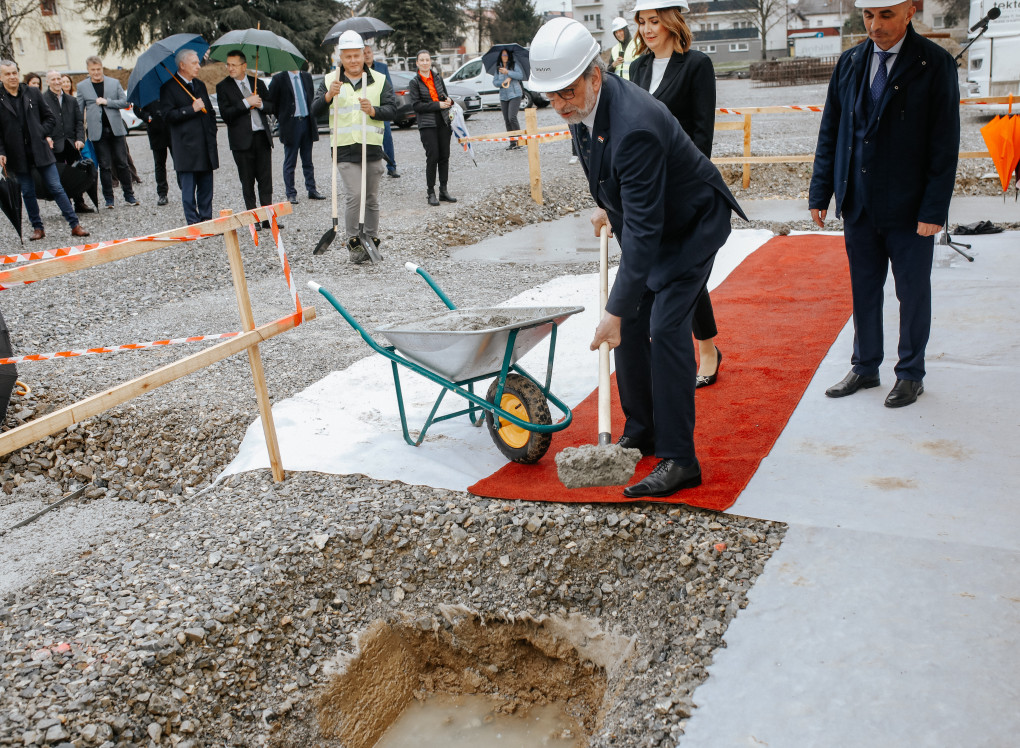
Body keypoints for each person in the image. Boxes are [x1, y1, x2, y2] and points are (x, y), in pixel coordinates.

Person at [527, 18, 745, 498]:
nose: (559, 105)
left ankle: (679, 458)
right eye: (551, 96)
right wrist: (610, 207)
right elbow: (612, 174)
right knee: (628, 326)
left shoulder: (635, 126)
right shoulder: (583, 108)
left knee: (662, 325)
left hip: (691, 226)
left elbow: (646, 234)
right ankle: (641, 427)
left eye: (565, 93)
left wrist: (614, 311)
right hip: (655, 221)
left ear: (594, 75)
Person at [810, 0, 959, 408]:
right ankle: (865, 365)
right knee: (864, 290)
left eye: (886, 15)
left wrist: (933, 210)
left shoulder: (935, 64)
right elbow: (831, 131)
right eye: (868, 16)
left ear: (910, 11)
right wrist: (820, 191)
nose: (875, 26)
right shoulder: (850, 62)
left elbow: (945, 145)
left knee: (911, 293)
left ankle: (910, 373)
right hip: (858, 203)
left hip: (911, 210)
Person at [629, 0, 722, 388]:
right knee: (660, 269)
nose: (649, 29)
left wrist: (683, 187)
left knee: (685, 269)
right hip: (646, 189)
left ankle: (706, 348)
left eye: (655, 21)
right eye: (643, 22)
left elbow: (703, 134)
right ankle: (692, 347)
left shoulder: (697, 65)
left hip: (685, 190)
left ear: (671, 22)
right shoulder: (637, 68)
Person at [311, 30, 397, 263]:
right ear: (341, 57)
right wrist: (328, 96)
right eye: (347, 56)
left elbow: (393, 109)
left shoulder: (379, 80)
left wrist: (374, 111)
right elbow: (314, 111)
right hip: (344, 149)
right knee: (354, 194)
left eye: (356, 55)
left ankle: (371, 240)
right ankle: (354, 244)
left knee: (370, 197)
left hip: (371, 148)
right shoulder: (331, 80)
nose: (353, 61)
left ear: (363, 55)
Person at [0, 59, 89, 239]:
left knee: (56, 187)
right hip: (17, 155)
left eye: (14, 73)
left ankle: (74, 225)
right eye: (7, 74)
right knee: (28, 192)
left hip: (40, 150)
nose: (12, 77)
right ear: (1, 77)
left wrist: (39, 133)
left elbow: (50, 118)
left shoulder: (32, 92)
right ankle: (38, 228)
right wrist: (1, 151)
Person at [216, 49, 278, 230]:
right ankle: (253, 219)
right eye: (228, 64)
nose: (230, 68)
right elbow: (226, 115)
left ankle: (268, 218)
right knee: (247, 181)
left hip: (261, 137)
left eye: (234, 65)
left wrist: (260, 104)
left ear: (244, 66)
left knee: (265, 181)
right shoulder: (223, 87)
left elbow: (271, 105)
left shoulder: (256, 82)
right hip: (241, 142)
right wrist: (246, 103)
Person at [159, 48, 218, 225]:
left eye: (198, 62)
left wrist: (212, 130)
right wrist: (190, 109)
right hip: (186, 146)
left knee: (206, 186)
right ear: (182, 65)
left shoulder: (199, 85)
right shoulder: (169, 88)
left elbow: (210, 112)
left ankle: (207, 219)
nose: (198, 66)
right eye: (194, 63)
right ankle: (193, 222)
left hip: (205, 143)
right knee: (188, 188)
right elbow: (167, 116)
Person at [76, 55, 139, 208]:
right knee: (105, 166)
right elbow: (79, 110)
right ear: (88, 70)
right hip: (97, 132)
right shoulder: (82, 87)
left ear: (102, 68)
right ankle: (109, 199)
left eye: (98, 69)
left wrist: (107, 102)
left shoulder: (113, 83)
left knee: (122, 163)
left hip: (115, 130)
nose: (96, 72)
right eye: (93, 70)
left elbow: (125, 102)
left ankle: (129, 196)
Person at [267, 64, 324, 204]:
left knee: (308, 160)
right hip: (291, 124)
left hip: (306, 122)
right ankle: (291, 193)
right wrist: (282, 118)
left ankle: (312, 189)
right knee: (290, 161)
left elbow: (311, 97)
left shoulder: (306, 76)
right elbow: (272, 102)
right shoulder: (279, 79)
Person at [407, 50, 457, 207]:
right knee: (433, 157)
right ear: (417, 63)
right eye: (421, 60)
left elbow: (445, 97)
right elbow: (416, 105)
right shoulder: (414, 82)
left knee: (444, 156)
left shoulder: (437, 78)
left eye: (427, 59)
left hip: (443, 121)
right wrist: (437, 105)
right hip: (427, 124)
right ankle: (430, 192)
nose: (424, 62)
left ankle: (443, 189)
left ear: (430, 61)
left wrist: (449, 101)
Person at [42, 69, 93, 214]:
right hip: (54, 145)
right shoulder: (43, 99)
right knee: (59, 177)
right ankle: (66, 206)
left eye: (59, 78)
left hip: (71, 143)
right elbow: (40, 122)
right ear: (47, 82)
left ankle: (79, 203)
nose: (57, 82)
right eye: (53, 79)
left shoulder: (71, 100)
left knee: (76, 173)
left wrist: (79, 139)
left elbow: (78, 121)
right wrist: (46, 137)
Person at [364, 44, 400, 178]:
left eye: (369, 52)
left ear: (372, 53)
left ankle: (392, 166)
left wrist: (389, 104)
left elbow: (389, 87)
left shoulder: (382, 68)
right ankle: (370, 168)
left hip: (382, 109)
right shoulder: (359, 70)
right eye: (364, 53)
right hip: (366, 110)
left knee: (387, 138)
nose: (367, 55)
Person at [492, 48, 525, 150]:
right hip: (503, 96)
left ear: (509, 56)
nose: (504, 57)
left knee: (512, 117)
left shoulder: (514, 65)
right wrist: (502, 83)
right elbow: (495, 82)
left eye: (506, 55)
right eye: (503, 55)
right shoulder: (498, 69)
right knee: (507, 120)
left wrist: (508, 72)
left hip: (515, 94)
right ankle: (512, 142)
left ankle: (519, 140)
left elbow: (520, 75)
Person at [140, 100, 171, 205]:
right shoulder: (145, 89)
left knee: (179, 160)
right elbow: (137, 108)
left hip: (171, 127)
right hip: (155, 131)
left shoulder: (168, 86)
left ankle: (185, 188)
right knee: (159, 164)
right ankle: (162, 194)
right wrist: (148, 118)